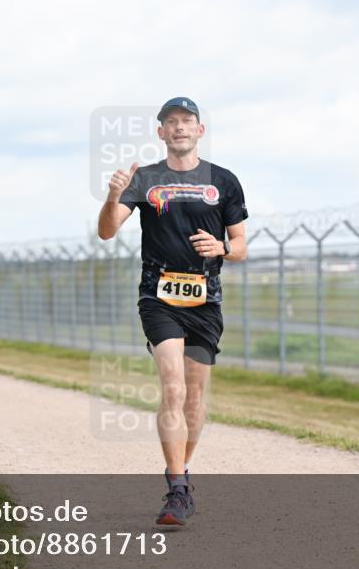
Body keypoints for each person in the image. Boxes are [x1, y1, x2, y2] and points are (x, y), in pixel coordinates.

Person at [97, 97, 248, 526]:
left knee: (195, 399)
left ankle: (180, 473)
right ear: (160, 132)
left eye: (187, 121)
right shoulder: (144, 178)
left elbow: (240, 246)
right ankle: (178, 489)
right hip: (158, 296)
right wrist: (112, 197)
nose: (179, 127)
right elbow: (107, 231)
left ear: (200, 130)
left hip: (205, 301)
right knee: (174, 389)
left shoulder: (224, 181)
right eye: (170, 122)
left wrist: (221, 247)